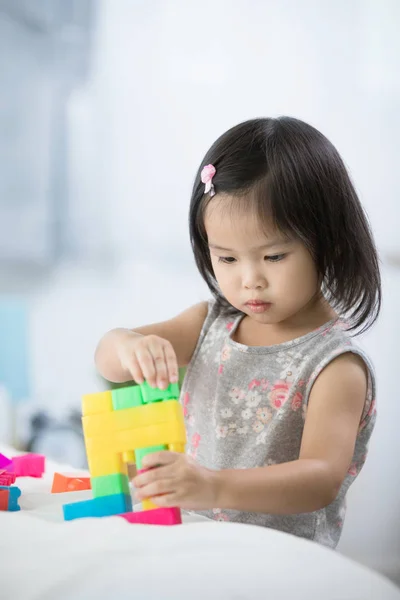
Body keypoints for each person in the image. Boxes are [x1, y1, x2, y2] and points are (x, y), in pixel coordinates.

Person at [95, 116, 381, 548]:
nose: (250, 280)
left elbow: (320, 478)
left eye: (274, 256)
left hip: (280, 564)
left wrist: (213, 486)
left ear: (331, 242)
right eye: (227, 259)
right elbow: (107, 360)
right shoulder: (208, 325)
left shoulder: (335, 366)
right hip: (194, 545)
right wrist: (129, 344)